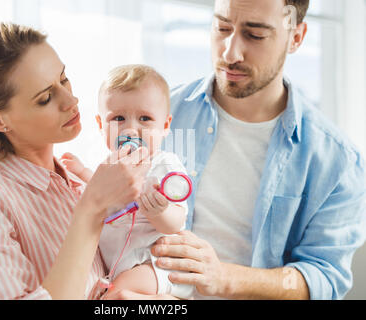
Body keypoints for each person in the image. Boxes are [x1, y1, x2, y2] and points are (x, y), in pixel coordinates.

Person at [107, 0, 366, 300]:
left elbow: (324, 278)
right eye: (222, 28)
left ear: (296, 37)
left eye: (255, 35)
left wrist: (224, 277)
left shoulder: (337, 161)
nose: (230, 53)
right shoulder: (155, 119)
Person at [0, 22, 151, 300]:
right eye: (45, 98)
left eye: (64, 78)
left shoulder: (75, 184)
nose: (71, 100)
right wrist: (92, 208)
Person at [62, 64, 194, 299]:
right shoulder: (110, 166)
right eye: (119, 118)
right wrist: (83, 173)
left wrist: (160, 211)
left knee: (117, 292)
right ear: (101, 126)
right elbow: (103, 190)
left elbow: (176, 223)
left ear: (164, 126)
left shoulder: (164, 165)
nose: (131, 130)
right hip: (123, 264)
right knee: (115, 288)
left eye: (145, 118)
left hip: (155, 264)